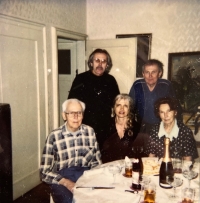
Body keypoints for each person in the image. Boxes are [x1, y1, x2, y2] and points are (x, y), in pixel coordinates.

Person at [40, 99, 101, 203]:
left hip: (85, 176)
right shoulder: (54, 136)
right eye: (72, 113)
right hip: (61, 178)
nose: (76, 117)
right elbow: (44, 172)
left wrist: (93, 180)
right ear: (64, 116)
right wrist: (65, 182)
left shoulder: (90, 132)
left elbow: (97, 163)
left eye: (79, 113)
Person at [68, 48, 120, 150]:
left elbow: (116, 103)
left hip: (104, 128)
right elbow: (71, 103)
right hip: (84, 126)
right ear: (91, 62)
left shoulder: (111, 80)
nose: (100, 64)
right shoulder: (80, 79)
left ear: (107, 64)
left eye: (103, 61)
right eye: (97, 60)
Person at [129, 59, 181, 133]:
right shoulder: (137, 85)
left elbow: (175, 107)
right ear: (143, 74)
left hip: (163, 126)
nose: (150, 76)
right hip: (142, 127)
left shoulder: (166, 85)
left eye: (153, 72)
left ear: (159, 73)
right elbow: (130, 107)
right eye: (147, 72)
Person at [101, 94, 141, 163]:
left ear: (130, 108)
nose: (121, 109)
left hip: (130, 166)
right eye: (118, 105)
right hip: (110, 167)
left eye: (125, 106)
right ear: (114, 107)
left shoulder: (137, 127)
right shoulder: (105, 126)